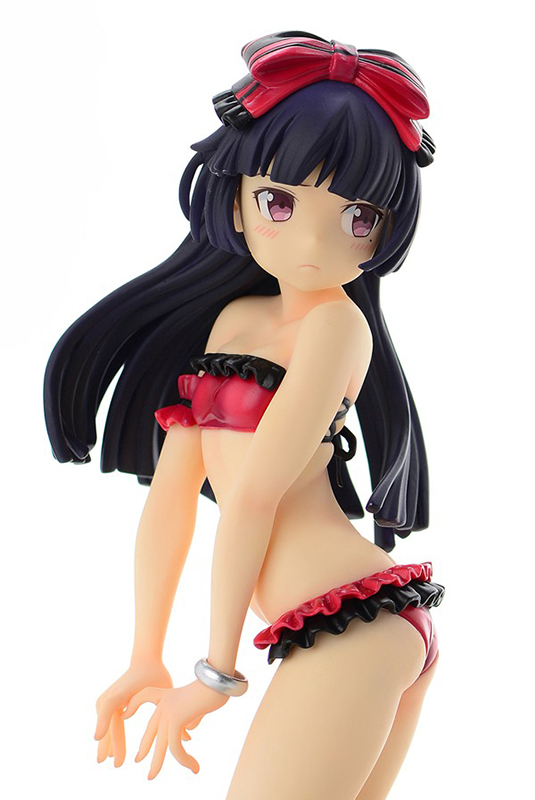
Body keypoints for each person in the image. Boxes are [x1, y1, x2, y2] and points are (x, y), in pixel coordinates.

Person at [44, 31, 444, 800]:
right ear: (234, 196)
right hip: (345, 626)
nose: (313, 242)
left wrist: (215, 674)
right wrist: (145, 653)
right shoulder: (234, 321)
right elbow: (172, 499)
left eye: (357, 216)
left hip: (353, 622)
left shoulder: (336, 325)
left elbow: (254, 496)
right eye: (279, 203)